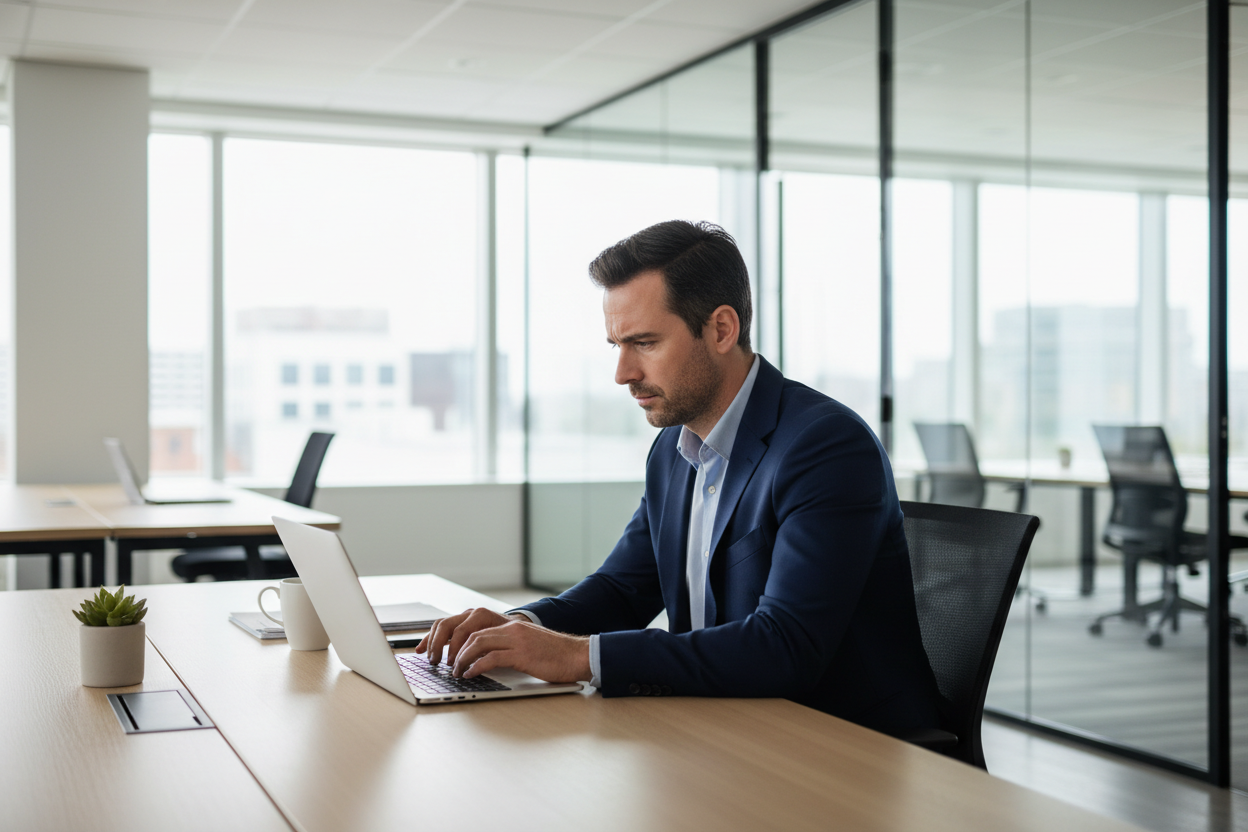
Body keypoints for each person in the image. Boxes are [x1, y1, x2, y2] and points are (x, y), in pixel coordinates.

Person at [417, 220, 941, 736]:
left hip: (843, 746)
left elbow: (785, 647)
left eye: (643, 343)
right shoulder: (673, 447)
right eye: (616, 345)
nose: (622, 373)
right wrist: (521, 627)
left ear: (721, 329)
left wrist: (578, 656)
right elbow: (624, 588)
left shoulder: (824, 446)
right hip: (725, 724)